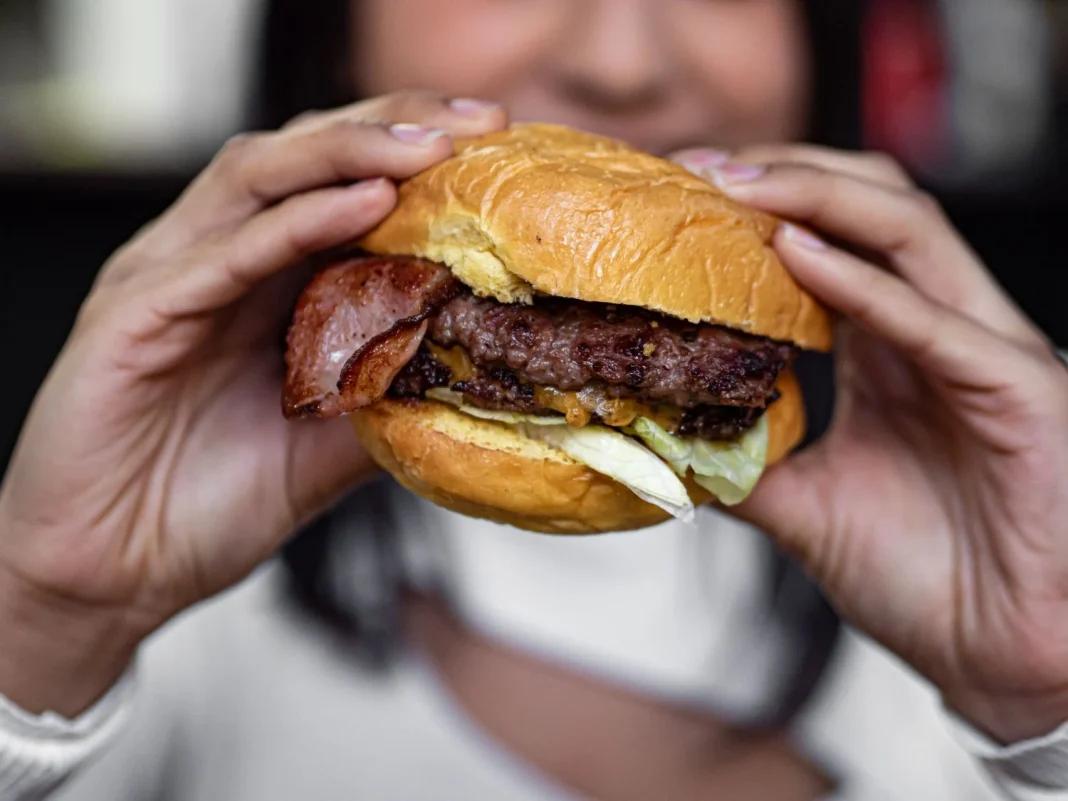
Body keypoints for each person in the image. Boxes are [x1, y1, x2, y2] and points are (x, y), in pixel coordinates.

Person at [1, 1, 1066, 799]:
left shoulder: (968, 538)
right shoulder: (178, 580)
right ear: (334, 34)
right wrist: (50, 616)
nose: (621, 62)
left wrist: (1043, 704)